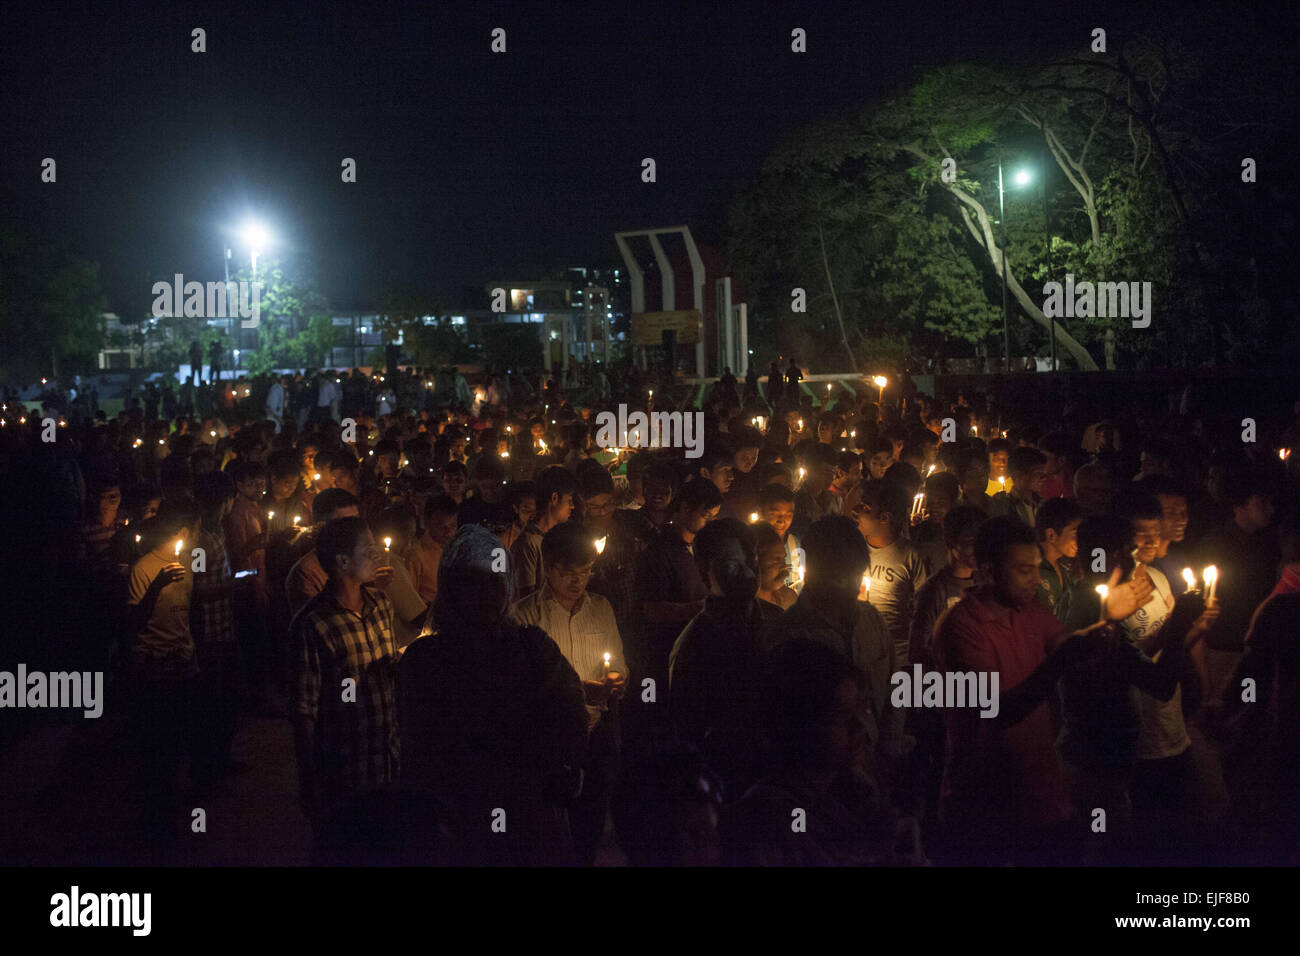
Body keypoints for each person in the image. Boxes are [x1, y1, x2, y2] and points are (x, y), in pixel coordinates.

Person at [931, 517, 1153, 865]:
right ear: (988, 569)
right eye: (1023, 569)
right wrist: (1063, 658)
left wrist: (1106, 621)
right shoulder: (961, 627)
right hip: (985, 800)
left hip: (1041, 793)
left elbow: (1075, 657)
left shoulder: (1032, 610)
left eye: (1037, 567)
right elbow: (998, 711)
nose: (1036, 578)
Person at [398, 524, 588, 865]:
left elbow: (570, 720)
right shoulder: (425, 661)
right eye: (474, 582)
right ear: (451, 588)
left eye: (495, 582)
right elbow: (417, 749)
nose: (487, 594)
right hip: (456, 822)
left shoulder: (534, 649)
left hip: (530, 817)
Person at [722, 639, 903, 866]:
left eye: (860, 711)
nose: (859, 728)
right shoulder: (768, 824)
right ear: (801, 724)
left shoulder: (855, 793)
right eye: (842, 717)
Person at [508, 522, 626, 866]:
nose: (578, 582)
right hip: (550, 742)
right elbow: (522, 686)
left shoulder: (601, 608)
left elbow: (619, 662)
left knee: (591, 822)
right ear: (549, 568)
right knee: (553, 827)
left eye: (586, 572)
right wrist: (574, 693)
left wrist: (616, 681)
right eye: (570, 573)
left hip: (596, 735)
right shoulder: (526, 615)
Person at [767, 515, 903, 797]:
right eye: (840, 574)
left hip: (876, 776)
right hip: (817, 787)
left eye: (856, 572)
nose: (852, 586)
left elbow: (895, 690)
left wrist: (889, 753)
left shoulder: (871, 621)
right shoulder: (789, 637)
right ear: (813, 568)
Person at [290, 516, 400, 860]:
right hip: (343, 767)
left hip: (385, 758)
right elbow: (304, 708)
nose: (377, 555)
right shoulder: (313, 623)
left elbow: (389, 671)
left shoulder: (381, 604)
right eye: (368, 550)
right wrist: (310, 776)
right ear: (343, 562)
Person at [668, 519, 767, 799]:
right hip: (727, 786)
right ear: (703, 572)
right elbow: (690, 736)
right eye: (731, 565)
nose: (748, 573)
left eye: (752, 560)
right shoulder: (694, 645)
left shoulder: (778, 625)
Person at [125, 496, 199, 839]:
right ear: (185, 530)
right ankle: (151, 818)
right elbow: (132, 623)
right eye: (196, 531)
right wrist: (156, 587)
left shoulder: (188, 563)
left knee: (180, 738)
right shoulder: (144, 568)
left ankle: (171, 808)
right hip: (153, 667)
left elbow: (187, 612)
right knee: (156, 741)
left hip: (183, 662)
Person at [851, 479, 929, 667]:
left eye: (865, 508)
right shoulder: (853, 551)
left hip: (898, 653)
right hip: (860, 648)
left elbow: (923, 609)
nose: (856, 511)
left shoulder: (910, 555)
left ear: (884, 518)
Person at [512, 465, 578, 599]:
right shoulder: (528, 543)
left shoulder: (558, 536)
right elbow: (525, 598)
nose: (572, 506)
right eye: (569, 501)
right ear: (554, 498)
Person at [1035, 496, 1083, 621]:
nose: (1080, 540)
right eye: (1075, 534)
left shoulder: (1067, 567)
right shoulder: (1032, 574)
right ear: (1051, 535)